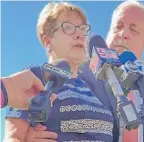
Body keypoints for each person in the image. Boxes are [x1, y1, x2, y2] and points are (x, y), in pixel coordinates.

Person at [13, 1, 144, 142]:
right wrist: (26, 134)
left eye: (133, 29)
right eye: (117, 27)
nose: (123, 34)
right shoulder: (74, 72)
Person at [4, 2, 116, 142]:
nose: (79, 34)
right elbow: (13, 138)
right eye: (68, 27)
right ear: (48, 41)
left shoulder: (92, 86)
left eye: (82, 29)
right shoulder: (37, 76)